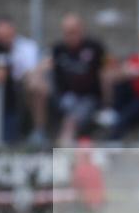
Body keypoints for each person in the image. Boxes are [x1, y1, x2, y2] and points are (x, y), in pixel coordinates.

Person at [37, 14, 107, 146]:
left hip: (89, 98)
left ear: (82, 30)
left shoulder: (94, 47)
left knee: (73, 116)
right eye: (67, 33)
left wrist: (106, 101)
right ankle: (40, 131)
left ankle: (64, 145)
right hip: (64, 98)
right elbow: (44, 68)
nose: (71, 36)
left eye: (74, 32)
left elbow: (108, 70)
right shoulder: (58, 49)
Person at [0, 17, 44, 145]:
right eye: (1, 37)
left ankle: (38, 130)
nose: (4, 40)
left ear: (13, 32)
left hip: (21, 88)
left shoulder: (27, 47)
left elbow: (30, 72)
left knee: (36, 85)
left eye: (6, 36)